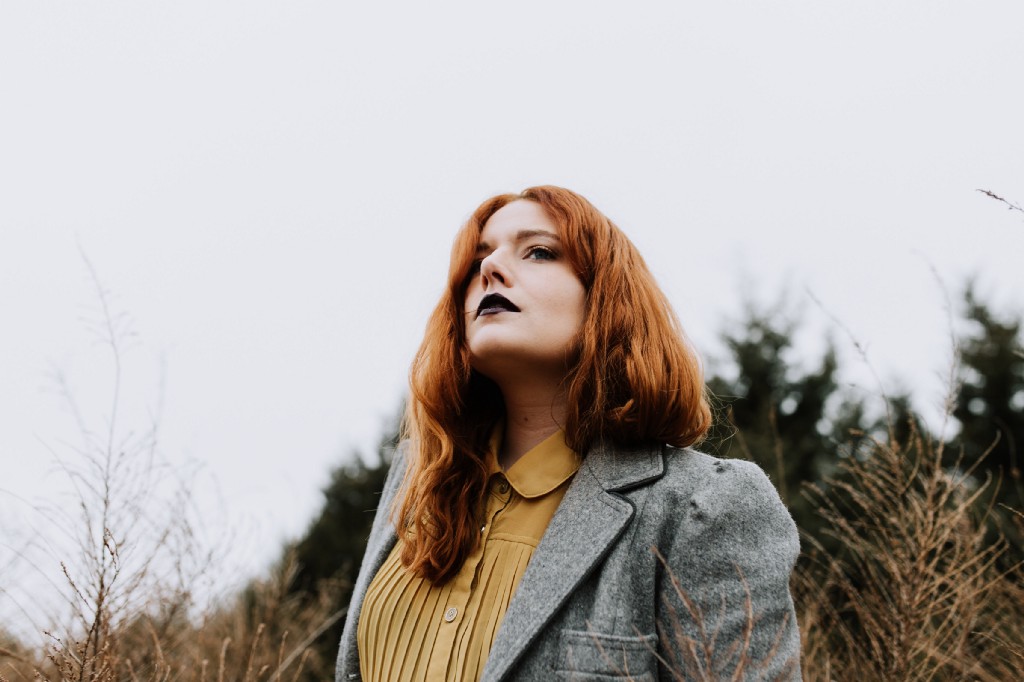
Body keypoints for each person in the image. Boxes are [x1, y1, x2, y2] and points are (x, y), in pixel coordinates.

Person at [335, 186, 801, 681]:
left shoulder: (702, 506)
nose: (490, 268)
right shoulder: (416, 481)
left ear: (606, 297)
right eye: (476, 261)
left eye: (539, 251)